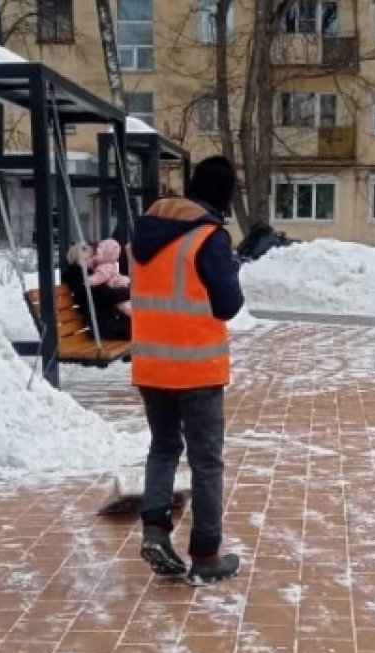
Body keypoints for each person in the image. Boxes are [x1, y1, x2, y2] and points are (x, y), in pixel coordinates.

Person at [130, 155, 244, 586]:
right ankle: (206, 556)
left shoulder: (146, 232)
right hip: (196, 367)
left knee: (163, 448)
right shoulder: (208, 238)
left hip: (151, 366)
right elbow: (228, 304)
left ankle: (156, 530)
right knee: (206, 462)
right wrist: (230, 267)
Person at [64, 240, 132, 340]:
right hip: (102, 324)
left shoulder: (91, 272)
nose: (91, 260)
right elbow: (105, 295)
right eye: (86, 258)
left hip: (108, 318)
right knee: (141, 330)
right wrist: (129, 292)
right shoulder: (79, 276)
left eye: (91, 257)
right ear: (77, 260)